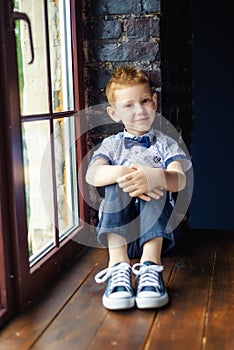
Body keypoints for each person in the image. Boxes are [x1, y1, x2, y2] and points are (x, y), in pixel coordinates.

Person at [86, 66, 192, 310]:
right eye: (129, 105)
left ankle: (150, 268)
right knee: (118, 181)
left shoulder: (166, 143)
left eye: (145, 101)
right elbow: (92, 174)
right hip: (120, 237)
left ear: (154, 102)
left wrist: (153, 175)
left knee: (157, 182)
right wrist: (126, 173)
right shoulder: (111, 146)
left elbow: (180, 179)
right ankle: (118, 266)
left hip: (159, 237)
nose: (140, 110)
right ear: (114, 113)